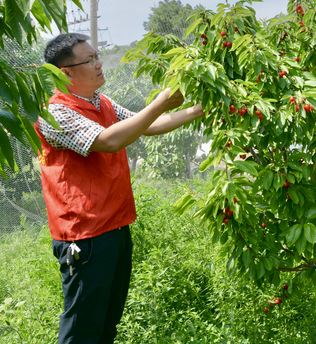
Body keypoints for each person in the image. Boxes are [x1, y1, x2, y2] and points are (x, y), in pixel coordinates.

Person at [35, 33, 204, 344]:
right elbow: (110, 141)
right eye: (90, 60)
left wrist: (198, 110)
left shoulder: (102, 102)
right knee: (82, 327)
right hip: (85, 235)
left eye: (97, 56)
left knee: (106, 322)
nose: (99, 64)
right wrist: (157, 103)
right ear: (65, 72)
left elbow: (147, 125)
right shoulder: (55, 113)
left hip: (114, 226)